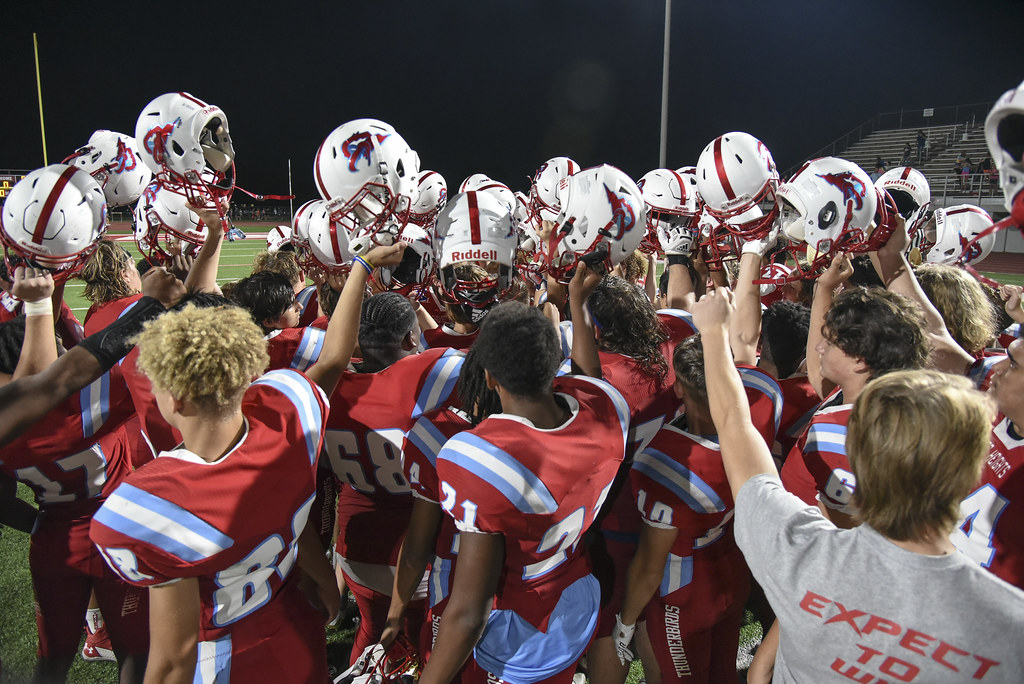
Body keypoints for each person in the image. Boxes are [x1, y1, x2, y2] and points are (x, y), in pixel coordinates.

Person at [90, 243, 406, 683]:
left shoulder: (153, 503)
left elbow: (173, 660)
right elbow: (335, 358)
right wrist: (361, 266)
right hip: (293, 633)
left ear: (176, 397)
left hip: (224, 660)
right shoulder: (286, 413)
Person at [692, 286, 1024, 683]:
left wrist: (713, 333)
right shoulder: (1009, 627)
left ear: (860, 462)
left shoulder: (803, 554)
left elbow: (735, 425)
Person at [419, 299, 629, 683]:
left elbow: (469, 611)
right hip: (573, 597)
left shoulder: (478, 458)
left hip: (518, 627)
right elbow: (588, 380)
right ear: (553, 362)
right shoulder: (609, 408)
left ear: (489, 377)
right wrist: (577, 299)